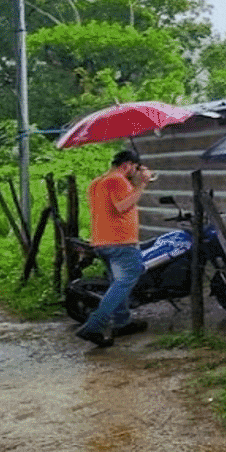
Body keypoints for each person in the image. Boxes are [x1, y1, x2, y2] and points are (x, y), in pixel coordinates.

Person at [77, 148, 153, 347]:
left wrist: (135, 184)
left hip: (102, 240)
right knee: (124, 282)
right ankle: (94, 325)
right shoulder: (117, 180)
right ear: (127, 165)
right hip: (120, 242)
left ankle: (122, 321)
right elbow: (122, 207)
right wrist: (141, 185)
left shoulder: (96, 183)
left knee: (116, 283)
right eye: (134, 169)